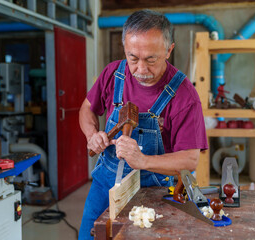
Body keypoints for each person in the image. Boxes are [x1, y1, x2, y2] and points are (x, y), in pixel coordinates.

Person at [78, 9, 208, 239]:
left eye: (151, 59)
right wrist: (92, 133)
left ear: (169, 50)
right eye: (133, 58)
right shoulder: (113, 74)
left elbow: (190, 159)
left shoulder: (184, 96)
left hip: (154, 190)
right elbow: (87, 108)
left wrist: (142, 161)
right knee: (91, 234)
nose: (140, 70)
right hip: (105, 185)